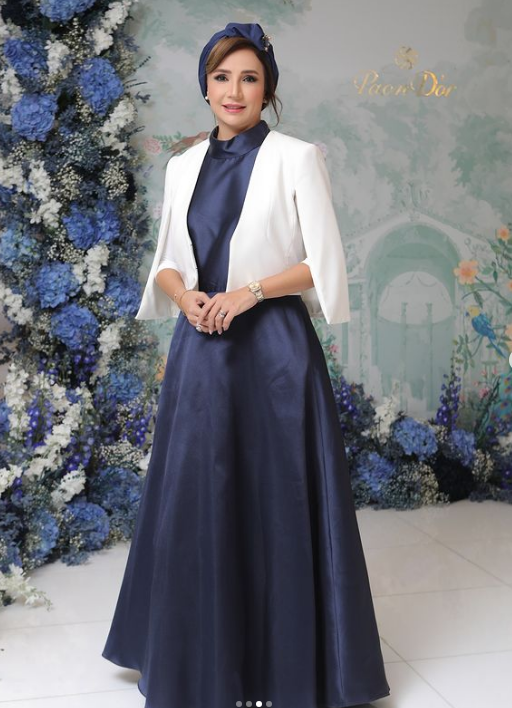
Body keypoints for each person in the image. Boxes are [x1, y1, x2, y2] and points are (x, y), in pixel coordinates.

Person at [102, 21, 391, 708]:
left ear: (268, 90)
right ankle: (194, 656)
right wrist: (188, 298)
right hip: (200, 350)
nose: (235, 91)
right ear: (205, 86)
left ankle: (283, 666)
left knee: (278, 499)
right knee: (196, 497)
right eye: (222, 77)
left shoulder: (297, 157)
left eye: (249, 78)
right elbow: (167, 262)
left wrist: (250, 292)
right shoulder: (182, 165)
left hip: (275, 355)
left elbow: (323, 264)